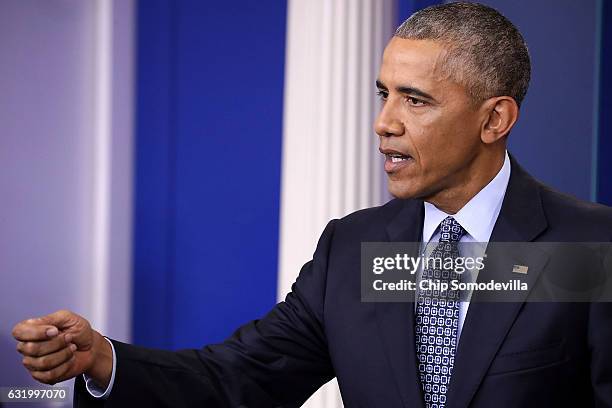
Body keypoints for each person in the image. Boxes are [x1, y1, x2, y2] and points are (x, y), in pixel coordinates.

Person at [12, 3, 612, 407]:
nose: (384, 123)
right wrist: (101, 359)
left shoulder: (590, 249)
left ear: (494, 119)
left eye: (416, 100)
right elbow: (237, 381)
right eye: (383, 94)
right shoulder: (352, 250)